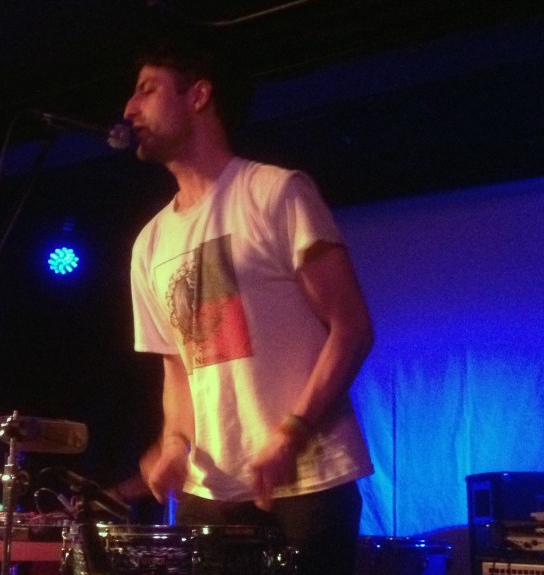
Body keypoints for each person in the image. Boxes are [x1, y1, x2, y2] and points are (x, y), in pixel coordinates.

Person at [125, 30, 374, 575]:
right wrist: (174, 442)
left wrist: (292, 433)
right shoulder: (149, 244)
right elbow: (178, 367)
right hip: (211, 487)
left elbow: (352, 328)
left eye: (147, 89)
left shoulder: (276, 193)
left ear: (198, 95)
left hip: (308, 480)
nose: (129, 109)